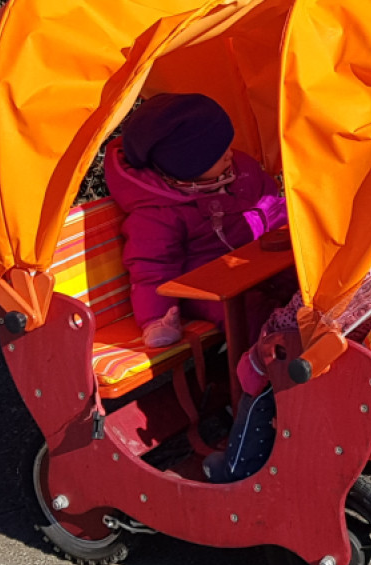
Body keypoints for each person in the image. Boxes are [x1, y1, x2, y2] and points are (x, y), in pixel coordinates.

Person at [104, 92, 288, 483]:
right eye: (216, 155)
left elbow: (269, 202)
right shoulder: (158, 211)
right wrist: (157, 319)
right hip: (204, 286)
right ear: (184, 168)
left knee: (305, 292)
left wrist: (288, 229)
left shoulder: (237, 170)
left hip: (255, 260)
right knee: (258, 319)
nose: (229, 155)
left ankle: (331, 361)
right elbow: (151, 268)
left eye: (226, 146)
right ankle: (268, 396)